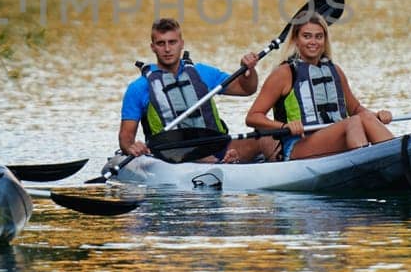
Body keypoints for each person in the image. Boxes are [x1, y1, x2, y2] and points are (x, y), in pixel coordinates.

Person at [244, 15, 395, 160]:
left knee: (365, 117)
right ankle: (370, 165)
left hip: (334, 141)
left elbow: (355, 109)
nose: (313, 41)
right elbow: (253, 117)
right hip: (299, 146)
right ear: (296, 40)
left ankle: (396, 156)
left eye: (318, 36)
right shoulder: (284, 73)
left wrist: (378, 116)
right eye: (307, 36)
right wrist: (284, 125)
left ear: (325, 40)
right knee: (353, 122)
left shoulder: (335, 70)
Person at [117, 17, 266, 163]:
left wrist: (248, 71)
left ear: (181, 44)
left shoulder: (202, 73)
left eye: (172, 42)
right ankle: (217, 162)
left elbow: (246, 89)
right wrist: (133, 147)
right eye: (161, 43)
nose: (167, 49)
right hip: (171, 154)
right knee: (202, 157)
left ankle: (273, 163)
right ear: (153, 47)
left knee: (265, 138)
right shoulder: (138, 88)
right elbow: (126, 139)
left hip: (215, 145)